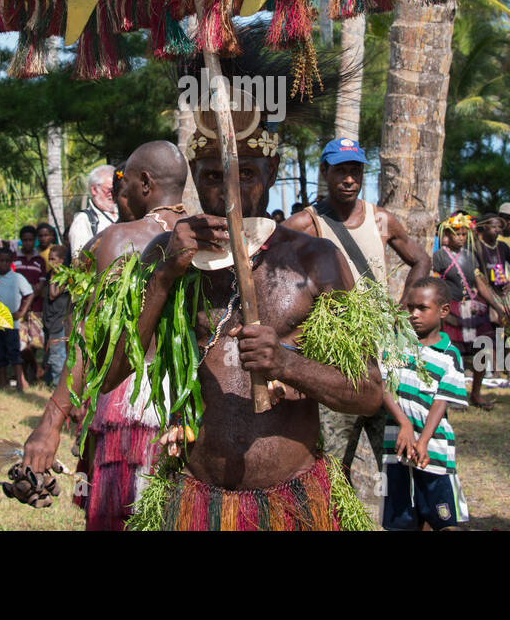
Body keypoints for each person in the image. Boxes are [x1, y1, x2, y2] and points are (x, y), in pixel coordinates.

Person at [101, 107, 381, 531]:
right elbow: (110, 373)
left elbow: (367, 392)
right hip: (194, 497)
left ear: (272, 170)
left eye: (245, 175)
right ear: (194, 174)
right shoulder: (166, 254)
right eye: (213, 177)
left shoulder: (316, 259)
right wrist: (164, 277)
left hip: (293, 501)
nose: (229, 194)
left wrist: (287, 364)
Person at [23, 139, 190, 531]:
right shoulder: (208, 238)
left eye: (126, 184)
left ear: (145, 183)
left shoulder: (116, 238)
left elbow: (89, 338)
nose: (121, 195)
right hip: (190, 412)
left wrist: (50, 423)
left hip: (131, 404)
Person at [282, 136, 431, 511]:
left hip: (384, 360)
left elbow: (421, 260)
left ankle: (400, 520)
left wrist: (401, 310)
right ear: (324, 172)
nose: (349, 179)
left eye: (356, 171)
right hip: (338, 360)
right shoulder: (307, 224)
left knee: (397, 460)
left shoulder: (381, 219)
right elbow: (269, 265)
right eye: (341, 171)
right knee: (332, 465)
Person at [380, 277, 470, 530]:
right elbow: (384, 387)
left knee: (442, 519)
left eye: (422, 308)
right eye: (410, 308)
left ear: (443, 311)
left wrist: (423, 440)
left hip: (434, 451)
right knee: (401, 520)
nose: (414, 314)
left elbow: (441, 402)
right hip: (396, 448)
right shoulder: (396, 345)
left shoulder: (449, 355)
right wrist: (404, 424)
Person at [433, 214, 510, 410]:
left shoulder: (469, 255)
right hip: (450, 308)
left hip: (472, 308)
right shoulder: (439, 256)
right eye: (456, 234)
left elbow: (479, 284)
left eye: (463, 234)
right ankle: (450, 395)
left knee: (482, 348)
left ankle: (476, 394)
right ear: (447, 236)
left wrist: (497, 306)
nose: (460, 237)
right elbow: (434, 284)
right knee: (452, 352)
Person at [0, 247, 33, 390]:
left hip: (13, 323)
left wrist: (21, 311)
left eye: (7, 261)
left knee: (14, 352)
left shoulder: (17, 278)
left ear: (11, 262)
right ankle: (2, 382)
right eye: (1, 261)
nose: (4, 264)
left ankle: (19, 382)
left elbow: (29, 294)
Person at [13, 225, 48, 384]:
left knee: (34, 342)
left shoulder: (39, 260)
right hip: (18, 308)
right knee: (21, 343)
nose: (27, 243)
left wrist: (29, 294)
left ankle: (30, 372)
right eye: (24, 240)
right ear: (21, 241)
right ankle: (34, 369)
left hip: (35, 307)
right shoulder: (15, 259)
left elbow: (40, 285)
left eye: (30, 240)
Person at [66, 164, 119, 259]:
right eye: (109, 190)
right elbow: (79, 263)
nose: (113, 194)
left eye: (117, 189)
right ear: (94, 189)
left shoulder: (123, 212)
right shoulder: (83, 221)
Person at [42, 244, 71, 387]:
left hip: (59, 321)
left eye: (53, 259)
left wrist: (54, 275)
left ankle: (57, 385)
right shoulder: (50, 275)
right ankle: (49, 382)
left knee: (57, 355)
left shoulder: (64, 276)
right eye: (49, 259)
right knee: (48, 354)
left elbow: (53, 294)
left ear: (62, 260)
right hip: (49, 320)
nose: (51, 262)